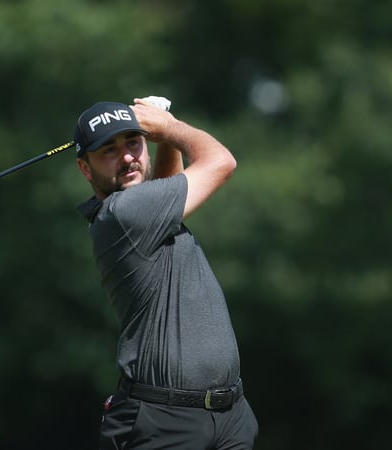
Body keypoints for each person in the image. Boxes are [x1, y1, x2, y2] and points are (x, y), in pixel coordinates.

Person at [73, 97, 259, 449]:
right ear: (86, 169)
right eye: (109, 150)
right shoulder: (123, 213)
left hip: (229, 415)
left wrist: (164, 137)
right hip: (163, 422)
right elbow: (222, 162)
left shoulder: (148, 212)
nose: (127, 156)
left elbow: (166, 192)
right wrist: (169, 127)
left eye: (133, 141)